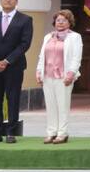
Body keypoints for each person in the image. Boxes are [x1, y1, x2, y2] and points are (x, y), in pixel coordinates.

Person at [0, 0, 33, 144]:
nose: (8, 0)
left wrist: (6, 61)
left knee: (13, 99)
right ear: (0, 0)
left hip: (14, 67)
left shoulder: (25, 20)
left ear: (16, 1)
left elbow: (25, 44)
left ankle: (11, 132)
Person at [34, 10, 82, 144]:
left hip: (64, 76)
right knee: (50, 105)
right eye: (58, 20)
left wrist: (71, 74)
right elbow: (41, 56)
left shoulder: (75, 37)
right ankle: (51, 132)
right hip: (48, 75)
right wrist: (38, 72)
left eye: (64, 20)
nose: (60, 22)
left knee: (63, 105)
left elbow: (76, 57)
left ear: (69, 22)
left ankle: (62, 133)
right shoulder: (48, 36)